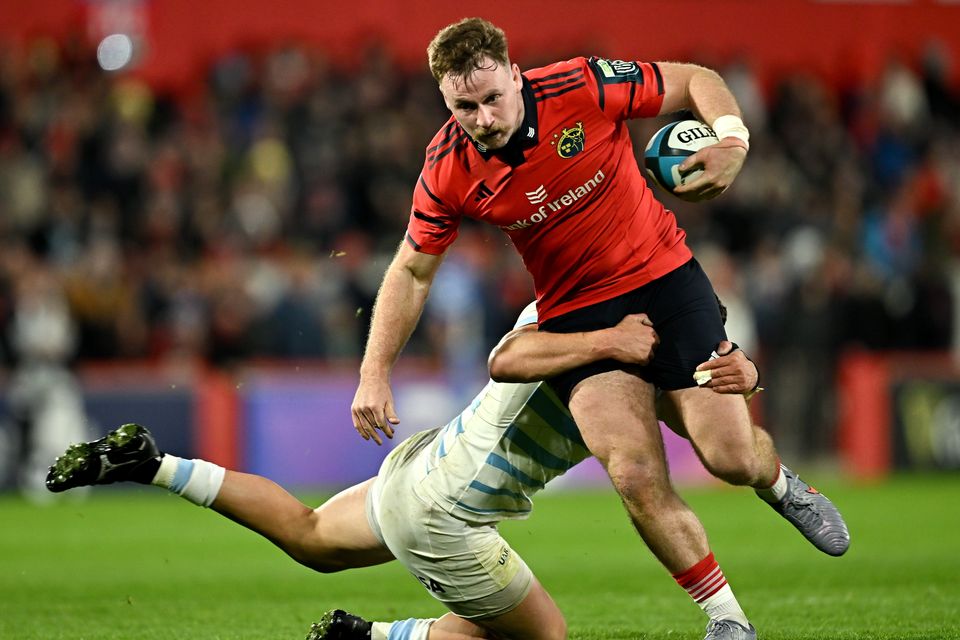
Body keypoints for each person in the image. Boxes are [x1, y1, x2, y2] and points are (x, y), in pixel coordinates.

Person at [351, 17, 848, 640]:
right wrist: (373, 373)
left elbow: (696, 78)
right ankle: (727, 621)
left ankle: (781, 486)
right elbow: (413, 271)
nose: (481, 118)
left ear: (513, 73)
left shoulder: (580, 86)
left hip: (667, 281)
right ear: (445, 102)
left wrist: (732, 140)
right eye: (463, 107)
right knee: (635, 474)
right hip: (578, 317)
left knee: (730, 457)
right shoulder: (446, 167)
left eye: (491, 98)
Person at [47, 305, 761, 640]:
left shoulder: (549, 312)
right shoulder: (620, 351)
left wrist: (739, 376)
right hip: (444, 513)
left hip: (421, 466)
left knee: (310, 535)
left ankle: (157, 464)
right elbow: (684, 423)